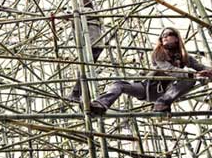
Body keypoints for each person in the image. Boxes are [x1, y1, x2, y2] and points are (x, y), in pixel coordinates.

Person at [68, 27, 212, 114]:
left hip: (168, 92)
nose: (164, 37)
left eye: (168, 34)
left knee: (190, 80)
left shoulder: (185, 56)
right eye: (162, 36)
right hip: (147, 87)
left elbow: (200, 67)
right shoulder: (158, 54)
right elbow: (170, 70)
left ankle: (162, 103)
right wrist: (194, 73)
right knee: (119, 84)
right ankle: (100, 104)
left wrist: (207, 71)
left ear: (176, 37)